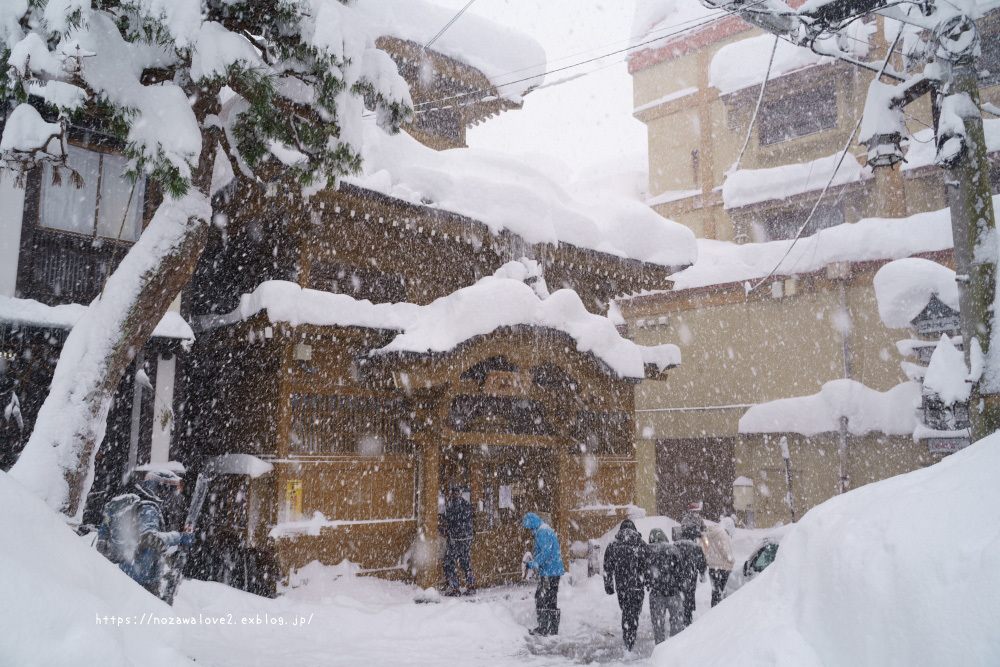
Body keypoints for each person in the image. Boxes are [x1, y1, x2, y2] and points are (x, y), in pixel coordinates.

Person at [98, 470, 193, 598]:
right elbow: (150, 538)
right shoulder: (149, 509)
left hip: (126, 571)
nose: (171, 496)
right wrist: (179, 537)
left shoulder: (136, 503)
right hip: (141, 579)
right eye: (170, 490)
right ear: (161, 488)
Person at [603, 519, 651, 653]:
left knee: (626, 611)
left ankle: (627, 639)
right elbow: (648, 565)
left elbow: (607, 567)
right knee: (635, 613)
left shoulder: (613, 545)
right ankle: (632, 636)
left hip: (622, 587)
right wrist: (647, 582)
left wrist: (609, 585)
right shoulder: (641, 544)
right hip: (637, 586)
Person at [522, 512, 565, 636]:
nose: (529, 531)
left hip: (549, 571)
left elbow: (546, 552)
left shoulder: (542, 532)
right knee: (551, 599)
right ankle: (552, 628)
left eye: (529, 527)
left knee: (541, 598)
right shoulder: (545, 529)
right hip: (553, 570)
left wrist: (534, 563)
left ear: (532, 525)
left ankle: (544, 628)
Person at [646, 528, 684, 644]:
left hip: (656, 593)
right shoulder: (674, 549)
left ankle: (660, 648)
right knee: (676, 622)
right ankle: (675, 646)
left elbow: (645, 572)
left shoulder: (648, 551)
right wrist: (678, 584)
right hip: (673, 592)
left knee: (658, 624)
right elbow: (680, 570)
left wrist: (650, 583)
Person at [442, 484, 475, 596]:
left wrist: (444, 531)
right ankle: (471, 586)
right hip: (468, 537)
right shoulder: (466, 503)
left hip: (455, 538)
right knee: (465, 561)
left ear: (452, 493)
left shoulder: (450, 504)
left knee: (449, 563)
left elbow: (447, 522)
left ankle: (455, 588)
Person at [675, 521, 708, 627]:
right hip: (690, 578)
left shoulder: (676, 545)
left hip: (678, 578)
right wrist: (702, 574)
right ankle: (687, 622)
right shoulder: (697, 548)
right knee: (689, 599)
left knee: (679, 599)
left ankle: (678, 619)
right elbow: (702, 564)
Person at [701, 517, 736, 606]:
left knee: (715, 592)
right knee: (722, 593)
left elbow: (705, 548)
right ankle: (720, 614)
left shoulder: (710, 531)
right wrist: (732, 560)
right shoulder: (722, 533)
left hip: (713, 568)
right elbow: (725, 550)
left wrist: (709, 559)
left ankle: (713, 611)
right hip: (723, 568)